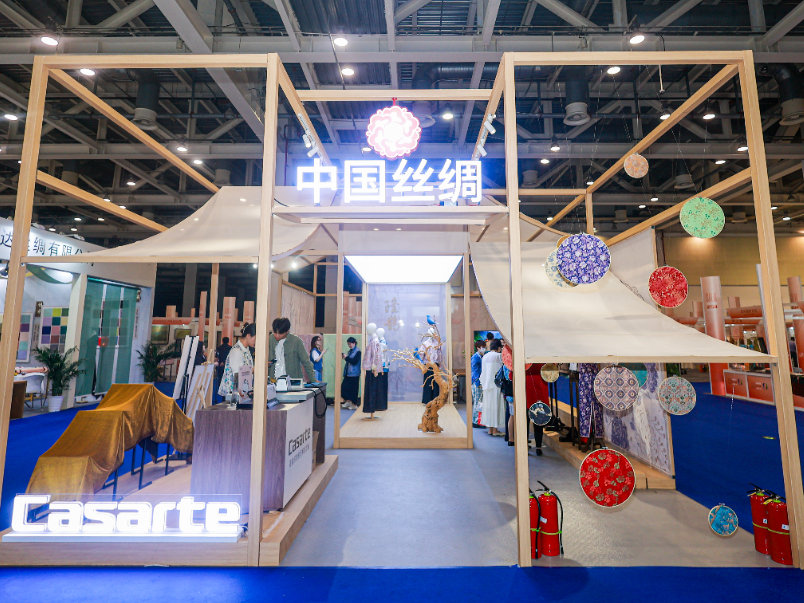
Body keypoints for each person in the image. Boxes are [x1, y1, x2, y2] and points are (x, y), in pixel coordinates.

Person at [268, 317, 315, 382]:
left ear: (287, 331)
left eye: (280, 333)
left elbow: (306, 361)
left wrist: (313, 379)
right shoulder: (270, 339)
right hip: (273, 380)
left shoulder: (296, 341)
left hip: (292, 380)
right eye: (275, 333)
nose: (277, 335)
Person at [218, 324, 255, 399]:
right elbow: (238, 375)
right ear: (248, 336)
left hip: (241, 394)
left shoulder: (246, 350)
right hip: (233, 396)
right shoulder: (236, 351)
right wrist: (254, 369)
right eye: (256, 338)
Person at [480, 339, 505, 436]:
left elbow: (483, 372)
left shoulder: (485, 356)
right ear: (498, 347)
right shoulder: (498, 356)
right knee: (496, 407)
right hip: (496, 385)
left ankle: (490, 429)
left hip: (486, 385)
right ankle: (495, 430)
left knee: (489, 407)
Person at [341, 337, 361, 410]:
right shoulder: (350, 351)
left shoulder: (358, 351)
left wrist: (346, 357)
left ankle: (354, 404)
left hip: (354, 373)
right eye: (348, 344)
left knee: (354, 389)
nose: (349, 345)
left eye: (350, 344)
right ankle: (348, 401)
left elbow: (354, 361)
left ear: (354, 343)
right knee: (344, 388)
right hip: (348, 373)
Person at [470, 339, 485, 428]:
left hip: (481, 382)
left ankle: (479, 420)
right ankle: (475, 421)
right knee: (477, 402)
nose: (483, 349)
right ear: (478, 348)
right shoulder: (475, 357)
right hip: (477, 383)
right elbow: (474, 371)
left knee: (480, 402)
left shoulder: (482, 356)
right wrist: (478, 382)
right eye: (482, 347)